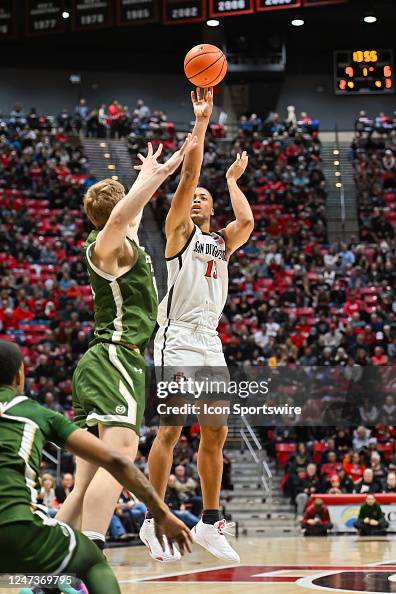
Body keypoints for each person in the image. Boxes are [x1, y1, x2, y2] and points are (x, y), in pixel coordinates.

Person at [55, 135, 197, 554]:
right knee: (121, 456)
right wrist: (152, 180)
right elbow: (119, 219)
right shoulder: (106, 247)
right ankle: (90, 555)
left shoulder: (123, 243)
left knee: (83, 484)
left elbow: (125, 217)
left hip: (101, 362)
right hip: (115, 358)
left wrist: (166, 166)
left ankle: (42, 563)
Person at [140, 88, 254, 563]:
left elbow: (246, 219)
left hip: (210, 339)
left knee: (215, 433)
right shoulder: (179, 232)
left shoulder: (222, 239)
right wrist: (202, 123)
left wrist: (229, 182)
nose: (198, 200)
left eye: (206, 199)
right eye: (195, 197)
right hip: (178, 336)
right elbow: (187, 175)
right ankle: (153, 518)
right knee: (171, 430)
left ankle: (209, 523)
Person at [0, 340, 192, 594]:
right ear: (20, 375)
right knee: (93, 561)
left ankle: (42, 588)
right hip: (15, 530)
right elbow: (115, 460)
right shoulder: (36, 413)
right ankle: (45, 586)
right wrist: (161, 511)